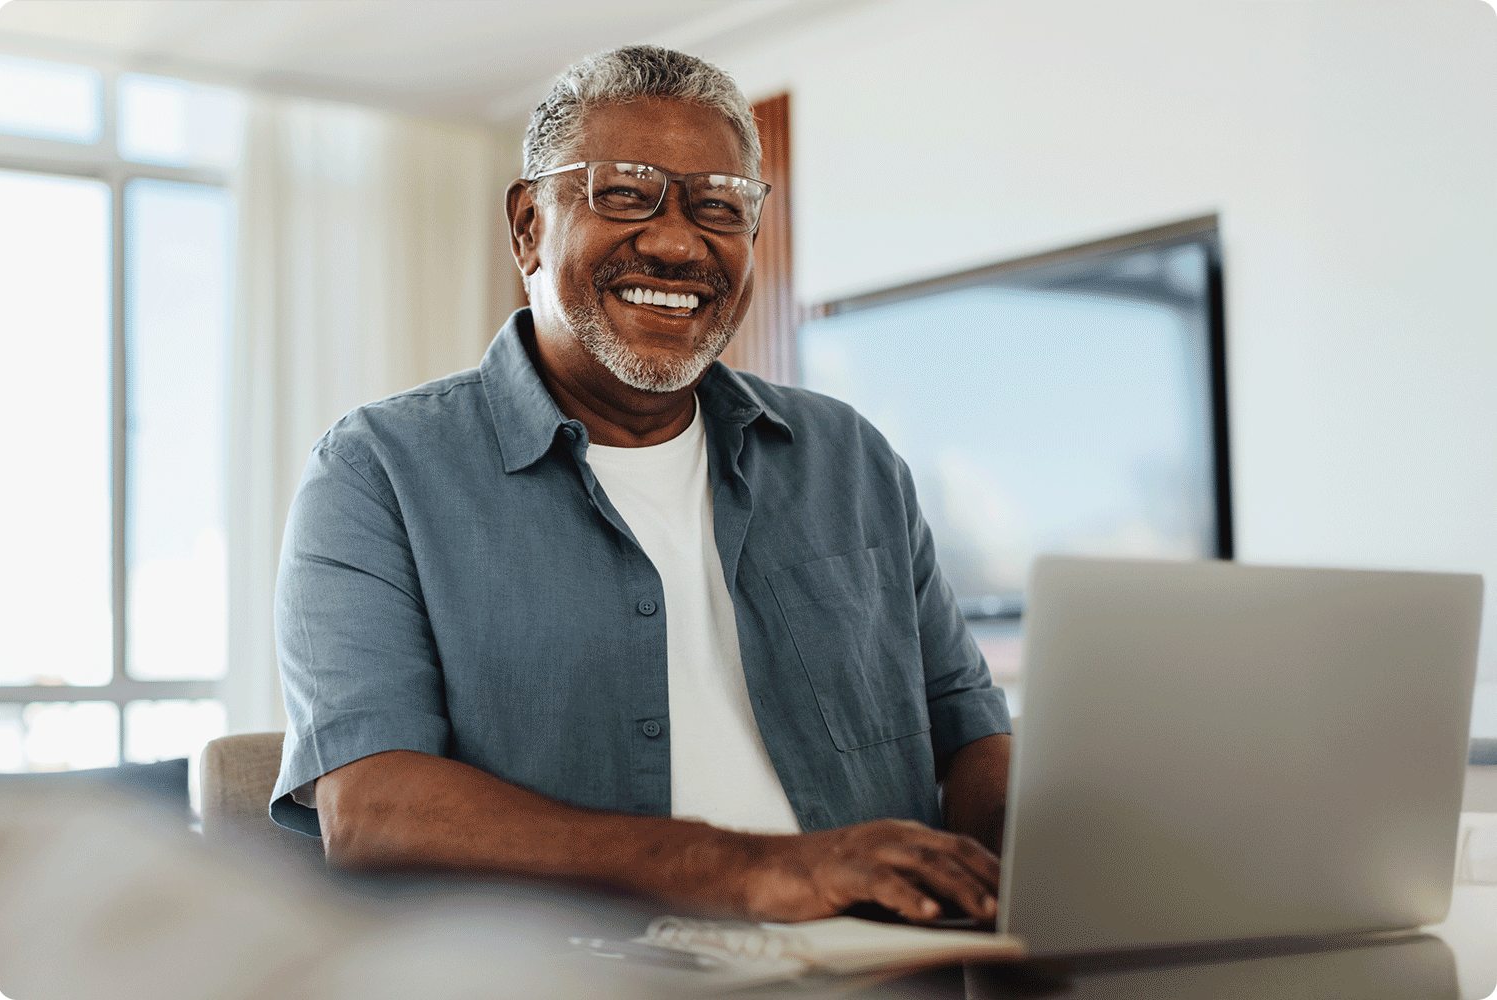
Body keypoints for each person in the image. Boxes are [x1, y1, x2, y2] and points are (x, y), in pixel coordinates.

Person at [270, 45, 1013, 925]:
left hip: (888, 971)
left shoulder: (850, 459)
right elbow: (372, 813)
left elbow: (969, 734)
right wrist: (742, 868)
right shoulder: (376, 473)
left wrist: (1068, 866)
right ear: (528, 229)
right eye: (624, 193)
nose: (674, 241)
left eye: (718, 207)